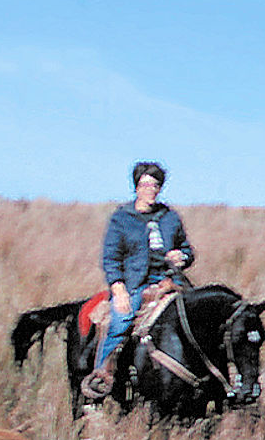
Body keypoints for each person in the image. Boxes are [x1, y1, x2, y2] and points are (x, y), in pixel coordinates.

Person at [83, 162, 194, 398]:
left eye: (155, 185)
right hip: (134, 283)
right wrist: (119, 291)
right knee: (120, 321)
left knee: (196, 318)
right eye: (145, 185)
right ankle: (101, 378)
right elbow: (111, 258)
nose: (150, 190)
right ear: (136, 188)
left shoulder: (170, 217)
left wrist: (182, 256)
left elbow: (187, 249)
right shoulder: (122, 218)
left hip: (169, 280)